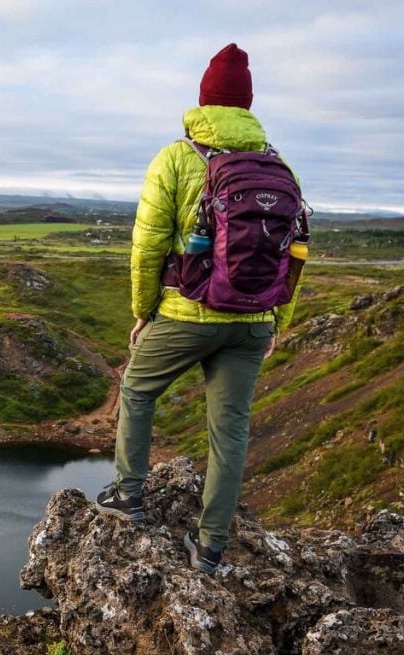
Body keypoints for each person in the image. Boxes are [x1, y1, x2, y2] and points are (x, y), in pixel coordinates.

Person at [95, 43, 301, 575]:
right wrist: (278, 317)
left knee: (137, 390)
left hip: (187, 313)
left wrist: (143, 310)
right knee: (230, 431)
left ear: (203, 100)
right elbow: (294, 253)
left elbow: (146, 246)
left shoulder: (177, 157)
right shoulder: (279, 166)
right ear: (248, 105)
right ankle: (210, 549)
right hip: (252, 322)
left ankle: (128, 495)